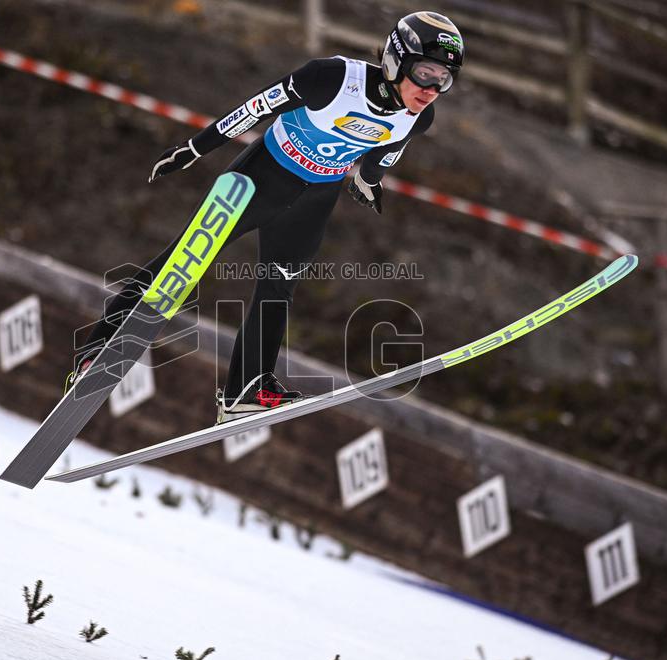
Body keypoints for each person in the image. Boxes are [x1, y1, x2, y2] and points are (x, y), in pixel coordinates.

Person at [73, 11, 465, 423]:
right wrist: (193, 149)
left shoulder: (420, 117)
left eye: (444, 79)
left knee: (278, 289)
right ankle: (98, 351)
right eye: (425, 72)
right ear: (396, 60)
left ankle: (246, 388)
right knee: (182, 262)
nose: (432, 89)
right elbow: (253, 109)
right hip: (262, 178)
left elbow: (388, 148)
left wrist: (369, 181)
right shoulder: (331, 78)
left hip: (315, 200)